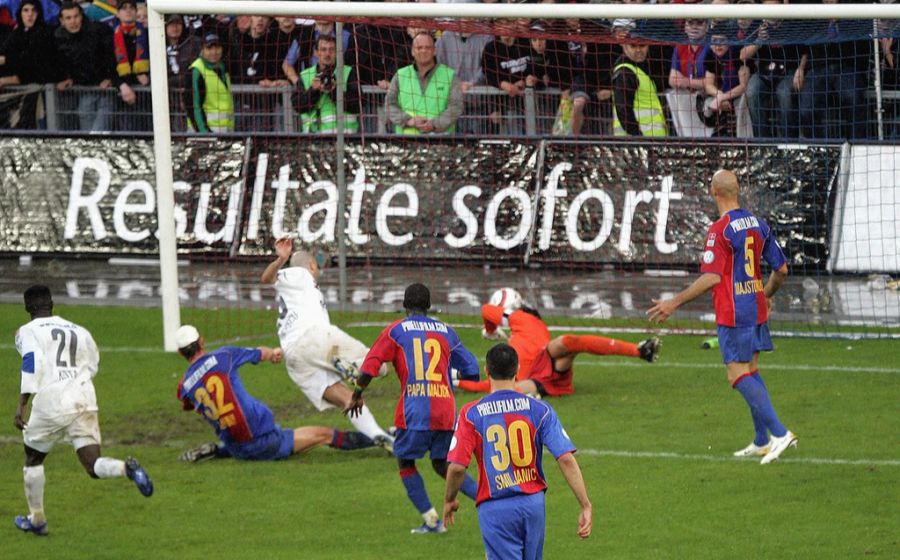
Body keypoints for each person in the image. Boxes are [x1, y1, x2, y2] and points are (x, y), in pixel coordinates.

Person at [647, 169, 797, 465]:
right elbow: (781, 270)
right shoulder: (759, 224)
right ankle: (762, 440)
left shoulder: (721, 229)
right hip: (756, 306)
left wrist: (674, 302)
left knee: (736, 374)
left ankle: (780, 433)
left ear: (714, 192)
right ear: (737, 190)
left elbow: (712, 277)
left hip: (733, 311)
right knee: (751, 369)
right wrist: (765, 293)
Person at [13, 285, 153, 536]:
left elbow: (31, 361)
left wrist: (22, 403)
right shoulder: (80, 330)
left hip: (52, 401)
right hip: (84, 397)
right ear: (52, 304)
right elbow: (93, 363)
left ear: (27, 308)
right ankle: (126, 469)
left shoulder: (27, 331)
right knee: (92, 464)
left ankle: (37, 520)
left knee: (33, 458)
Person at [346, 283, 481, 533]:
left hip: (414, 410)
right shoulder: (445, 331)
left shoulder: (396, 330)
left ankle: (431, 521)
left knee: (406, 461)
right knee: (442, 463)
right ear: (429, 307)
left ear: (405, 306)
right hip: (445, 410)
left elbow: (370, 365)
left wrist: (357, 393)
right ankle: (488, 499)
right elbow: (472, 370)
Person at [444, 343, 592, 559]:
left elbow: (457, 468)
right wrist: (585, 504)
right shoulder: (540, 409)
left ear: (487, 370)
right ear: (517, 370)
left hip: (496, 508)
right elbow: (566, 459)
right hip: (533, 505)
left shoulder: (471, 414)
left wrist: (450, 498)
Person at [259, 236, 394, 449]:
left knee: (347, 398)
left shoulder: (297, 292)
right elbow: (266, 278)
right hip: (316, 338)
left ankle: (378, 435)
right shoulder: (300, 274)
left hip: (295, 359)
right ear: (311, 265)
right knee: (382, 366)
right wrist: (281, 259)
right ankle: (350, 367)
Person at [175, 324, 378, 462]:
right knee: (324, 435)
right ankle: (382, 438)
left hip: (235, 446)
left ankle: (217, 450)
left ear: (180, 353)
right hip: (263, 442)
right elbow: (260, 353)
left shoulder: (184, 385)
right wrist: (273, 353)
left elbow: (190, 404)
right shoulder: (224, 356)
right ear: (201, 341)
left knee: (242, 438)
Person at [456, 289, 661, 398]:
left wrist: (491, 331)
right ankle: (638, 350)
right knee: (569, 343)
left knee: (510, 388)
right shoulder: (536, 324)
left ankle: (639, 350)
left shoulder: (519, 319)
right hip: (548, 371)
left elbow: (486, 310)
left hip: (535, 369)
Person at [53, 1, 117, 132]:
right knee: (88, 134)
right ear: (61, 20)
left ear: (82, 16)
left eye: (76, 16)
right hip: (84, 90)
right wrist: (68, 78)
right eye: (68, 18)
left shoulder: (98, 30)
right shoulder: (59, 36)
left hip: (106, 90)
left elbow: (113, 55)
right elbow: (61, 61)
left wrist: (110, 77)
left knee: (99, 133)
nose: (73, 21)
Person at [386, 31, 463, 134]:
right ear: (412, 51)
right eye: (419, 48)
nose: (423, 51)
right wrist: (408, 120)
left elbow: (456, 107)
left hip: (441, 142)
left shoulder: (450, 76)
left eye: (428, 47)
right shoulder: (400, 75)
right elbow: (389, 104)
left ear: (434, 51)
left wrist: (434, 124)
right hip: (405, 142)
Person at [0, 0, 59, 128]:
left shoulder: (45, 33)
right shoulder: (16, 34)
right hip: (16, 102)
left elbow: (33, 61)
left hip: (39, 98)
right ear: (20, 13)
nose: (30, 14)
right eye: (26, 10)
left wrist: (7, 64)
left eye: (34, 10)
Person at [293, 34, 360, 133]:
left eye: (331, 50)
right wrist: (313, 90)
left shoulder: (348, 72)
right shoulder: (305, 75)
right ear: (316, 52)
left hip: (345, 135)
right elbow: (298, 107)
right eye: (323, 50)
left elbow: (358, 105)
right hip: (314, 135)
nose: (327, 54)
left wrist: (334, 91)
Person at [612, 36, 668, 137]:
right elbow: (623, 109)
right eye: (633, 46)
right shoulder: (625, 72)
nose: (638, 50)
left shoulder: (641, 71)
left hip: (648, 141)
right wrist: (638, 138)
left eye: (642, 45)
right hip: (636, 142)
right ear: (624, 46)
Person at [111, 0, 150, 131]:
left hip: (146, 94)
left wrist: (148, 77)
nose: (128, 11)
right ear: (118, 13)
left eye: (131, 8)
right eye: (124, 8)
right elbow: (109, 65)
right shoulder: (111, 36)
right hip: (122, 94)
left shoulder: (148, 34)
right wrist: (122, 85)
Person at [184, 32, 234, 133]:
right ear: (202, 49)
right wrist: (204, 134)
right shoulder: (196, 71)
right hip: (205, 133)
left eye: (217, 48)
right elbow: (193, 106)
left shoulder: (223, 68)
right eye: (209, 48)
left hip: (225, 132)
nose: (214, 52)